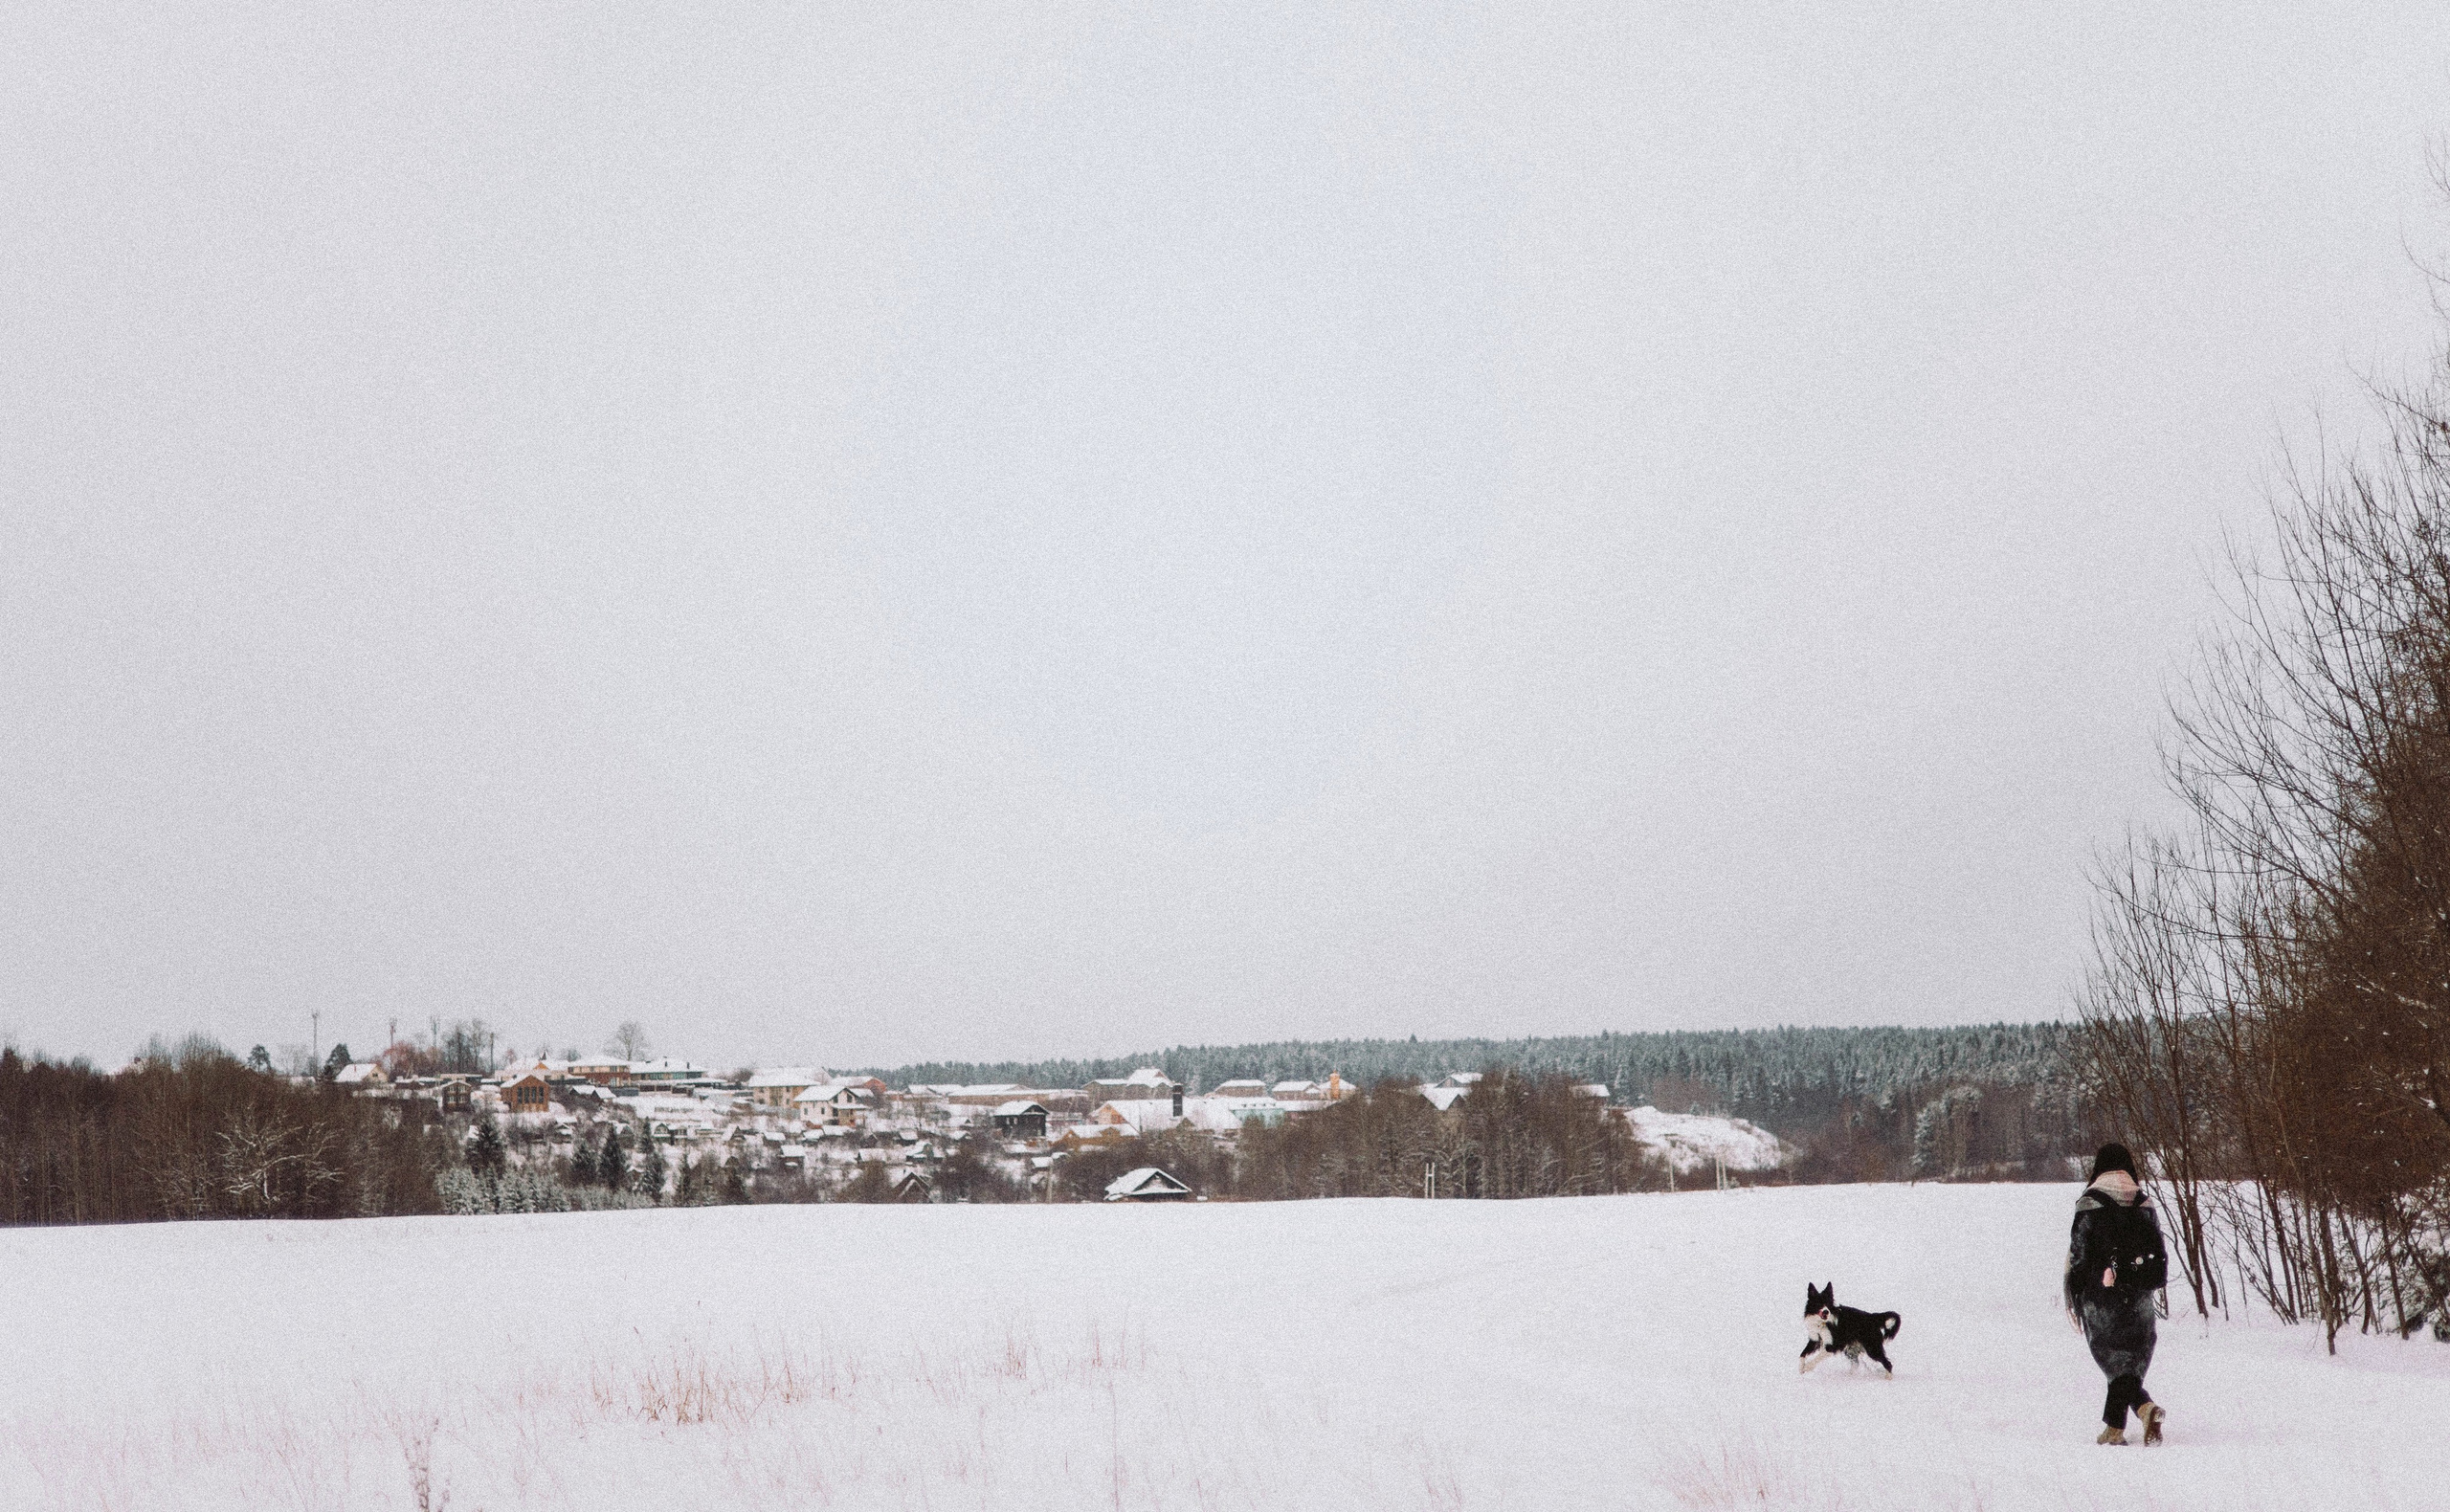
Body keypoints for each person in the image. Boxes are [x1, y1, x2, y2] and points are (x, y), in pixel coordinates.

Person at [2064, 1143, 2169, 1445]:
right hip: (2139, 1297)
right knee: (2131, 1361)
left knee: (2114, 1363)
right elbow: (2157, 1249)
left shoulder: (2089, 1203)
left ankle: (2144, 1409)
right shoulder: (2143, 1202)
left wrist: (2076, 1291)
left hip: (2102, 1298)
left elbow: (2079, 1253)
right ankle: (2114, 1429)